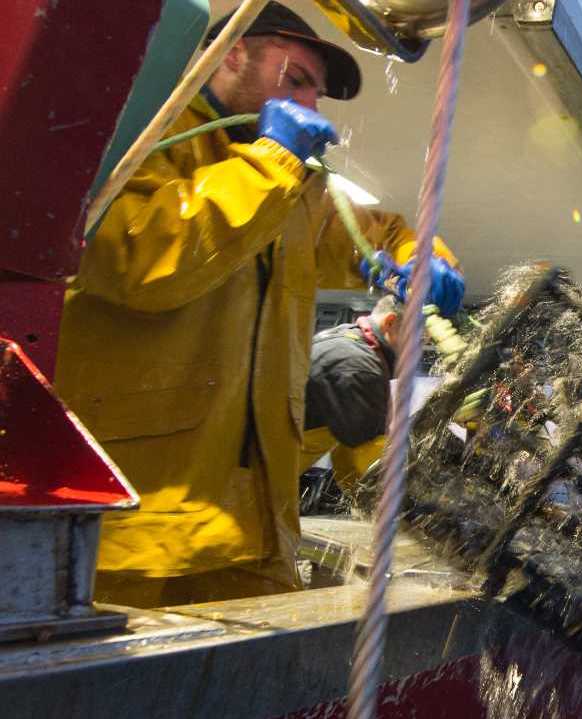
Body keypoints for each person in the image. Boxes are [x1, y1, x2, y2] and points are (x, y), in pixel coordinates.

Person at [55, 2, 462, 608]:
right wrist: (273, 158)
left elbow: (372, 231)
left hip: (255, 533)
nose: (309, 107)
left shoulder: (286, 184)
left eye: (316, 94)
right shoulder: (143, 133)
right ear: (230, 55)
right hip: (134, 536)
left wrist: (425, 256)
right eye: (295, 78)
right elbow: (142, 261)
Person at [300, 294, 401, 503]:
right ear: (390, 322)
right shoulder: (359, 366)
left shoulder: (346, 341)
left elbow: (348, 455)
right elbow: (370, 466)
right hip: (240, 478)